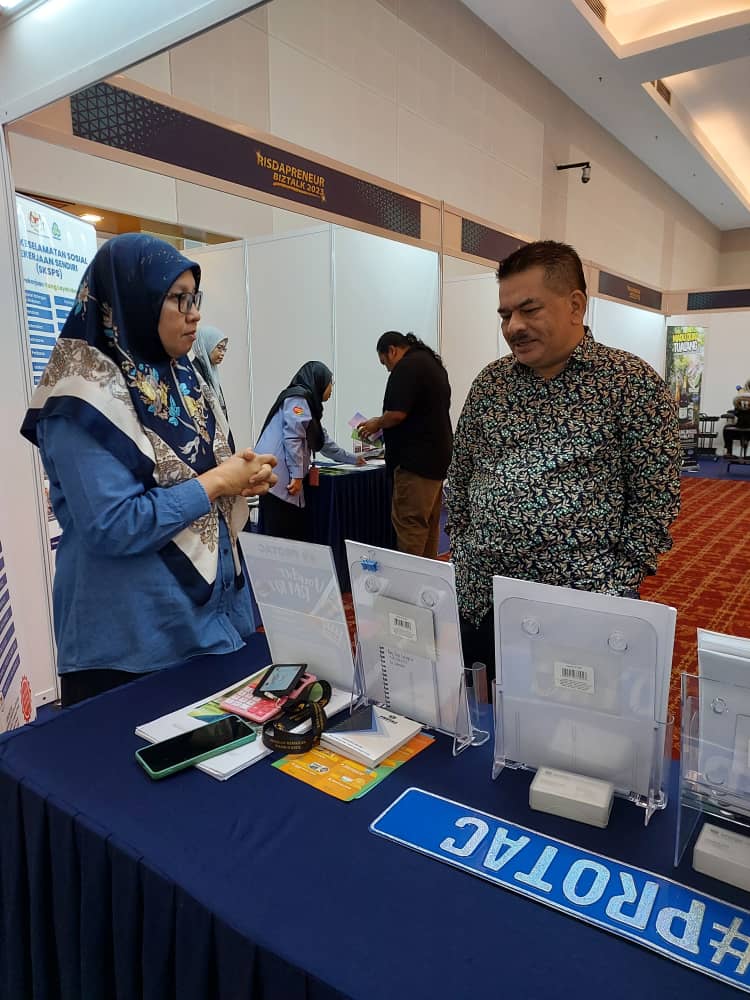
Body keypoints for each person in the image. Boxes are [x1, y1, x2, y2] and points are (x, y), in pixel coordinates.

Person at [20, 234, 277, 707]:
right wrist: (218, 482)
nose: (194, 314)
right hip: (134, 650)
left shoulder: (182, 377)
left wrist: (241, 478)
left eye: (195, 298)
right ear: (132, 302)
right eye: (178, 299)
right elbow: (112, 524)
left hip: (212, 628)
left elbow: (199, 471)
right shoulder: (81, 400)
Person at [444, 240, 681, 677]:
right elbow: (460, 478)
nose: (514, 326)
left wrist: (615, 584)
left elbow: (655, 500)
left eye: (529, 310)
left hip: (582, 608)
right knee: (480, 710)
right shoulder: (490, 384)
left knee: (566, 720)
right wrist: (463, 548)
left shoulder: (630, 384)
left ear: (575, 305)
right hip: (481, 599)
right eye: (505, 315)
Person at [358, 332, 452, 559]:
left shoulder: (407, 367)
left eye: (385, 363)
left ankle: (410, 578)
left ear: (392, 350)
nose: (387, 369)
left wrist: (376, 423)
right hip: (437, 460)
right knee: (429, 526)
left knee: (410, 526)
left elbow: (397, 413)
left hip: (414, 463)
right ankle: (428, 576)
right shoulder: (432, 363)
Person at [255, 361, 363, 541]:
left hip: (279, 474)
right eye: (330, 383)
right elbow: (293, 438)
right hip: (278, 476)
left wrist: (354, 459)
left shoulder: (308, 404)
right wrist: (297, 476)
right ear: (319, 381)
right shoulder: (298, 398)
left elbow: (323, 442)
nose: (331, 389)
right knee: (281, 534)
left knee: (287, 531)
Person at [192, 324, 229, 419]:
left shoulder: (212, 374)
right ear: (206, 345)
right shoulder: (193, 373)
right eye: (219, 348)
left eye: (224, 349)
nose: (222, 353)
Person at [723, 381, 750, 456]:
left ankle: (729, 452)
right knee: (727, 429)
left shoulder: (740, 400)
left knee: (726, 429)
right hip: (742, 427)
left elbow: (736, 412)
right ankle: (729, 452)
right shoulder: (740, 400)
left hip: (740, 426)